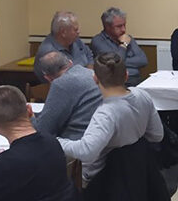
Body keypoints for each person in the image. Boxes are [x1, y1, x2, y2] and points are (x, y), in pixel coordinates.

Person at [60, 52, 164, 183]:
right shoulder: (143, 95)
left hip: (102, 178)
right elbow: (157, 136)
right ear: (126, 75)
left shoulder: (106, 113)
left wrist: (57, 142)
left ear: (95, 79)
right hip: (137, 169)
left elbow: (86, 152)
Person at [32, 51, 102, 141]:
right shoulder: (91, 73)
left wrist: (31, 119)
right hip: (98, 137)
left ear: (48, 78)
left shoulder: (61, 84)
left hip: (76, 140)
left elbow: (44, 129)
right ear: (70, 62)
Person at [89, 7, 149, 83]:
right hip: (115, 83)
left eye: (124, 25)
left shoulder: (127, 38)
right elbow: (113, 64)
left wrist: (121, 61)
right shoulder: (98, 41)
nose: (123, 30)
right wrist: (123, 45)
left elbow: (143, 60)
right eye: (119, 26)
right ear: (107, 26)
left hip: (136, 79)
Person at [34, 10, 92, 82]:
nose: (78, 32)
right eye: (75, 29)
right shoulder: (49, 53)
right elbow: (62, 81)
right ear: (63, 32)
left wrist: (90, 74)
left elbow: (89, 55)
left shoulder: (75, 40)